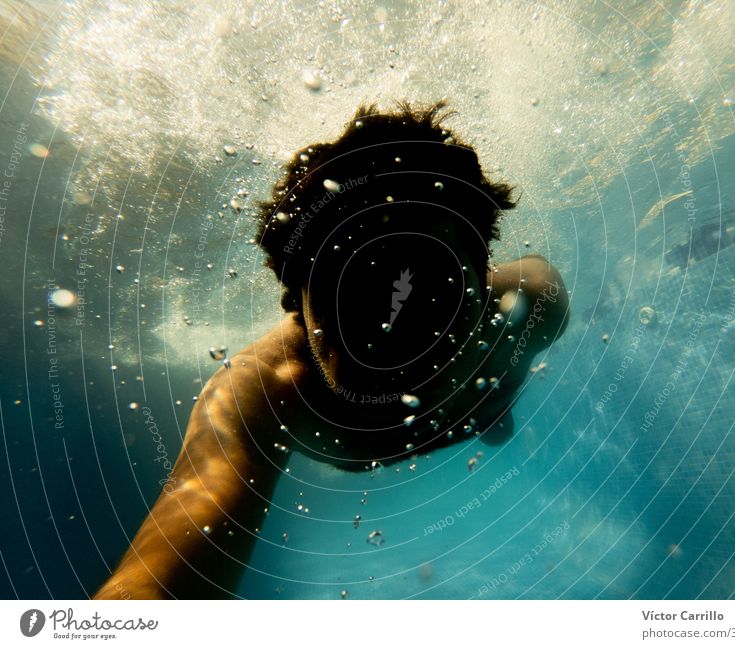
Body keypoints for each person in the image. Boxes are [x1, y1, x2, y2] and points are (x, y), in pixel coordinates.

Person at [94, 102, 569, 599]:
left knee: (495, 418)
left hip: (483, 406)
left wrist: (498, 398)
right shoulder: (261, 394)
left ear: (480, 269)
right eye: (351, 290)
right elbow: (156, 587)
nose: (391, 334)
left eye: (426, 281)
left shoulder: (533, 304)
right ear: (294, 304)